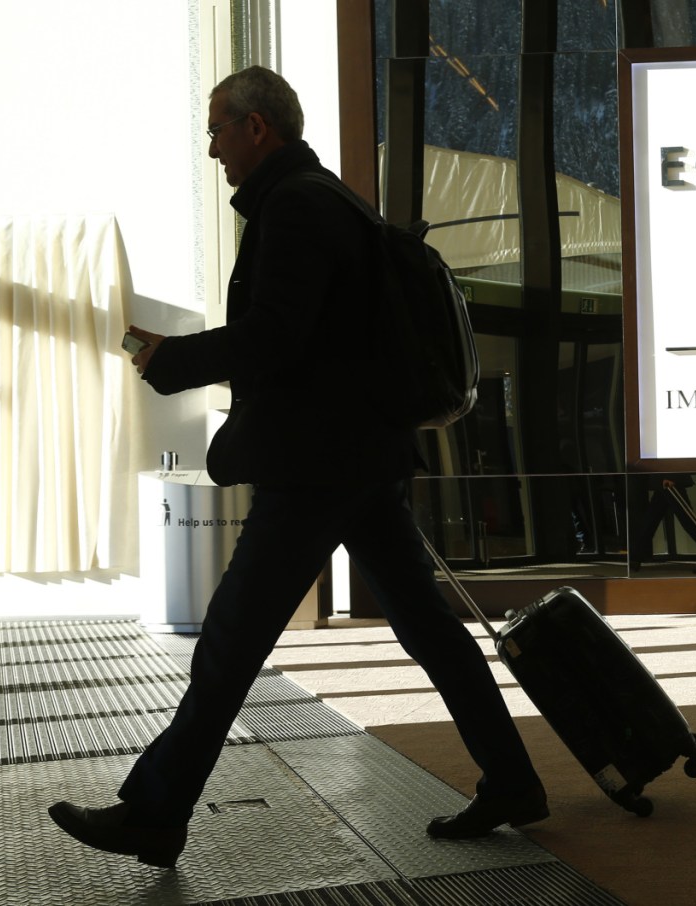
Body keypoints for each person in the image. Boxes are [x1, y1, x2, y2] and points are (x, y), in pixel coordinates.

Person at [47, 66, 546, 869]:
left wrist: (177, 361)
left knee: (232, 641)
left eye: (217, 129)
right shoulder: (327, 198)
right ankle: (514, 780)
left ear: (257, 127)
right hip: (357, 453)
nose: (211, 148)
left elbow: (277, 336)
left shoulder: (299, 208)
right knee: (427, 628)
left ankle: (155, 811)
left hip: (319, 463)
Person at [628, 474, 696, 572]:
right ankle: (635, 558)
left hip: (669, 481)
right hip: (665, 482)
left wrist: (671, 478)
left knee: (689, 523)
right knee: (650, 521)